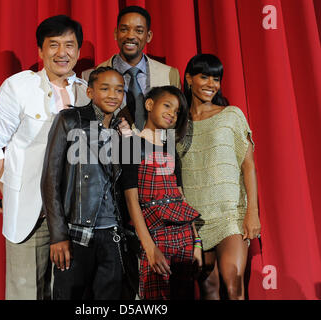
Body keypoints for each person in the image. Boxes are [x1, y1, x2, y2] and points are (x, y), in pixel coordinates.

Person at [0, 15, 91, 300]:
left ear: (78, 51)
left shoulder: (87, 93)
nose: (61, 53)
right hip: (32, 216)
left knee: (69, 293)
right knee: (26, 293)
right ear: (40, 51)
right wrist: (13, 191)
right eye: (53, 45)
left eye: (69, 45)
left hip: (76, 216)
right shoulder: (18, 87)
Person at [178, 54, 261, 300]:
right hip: (195, 219)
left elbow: (248, 166)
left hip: (229, 214)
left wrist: (252, 212)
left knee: (234, 287)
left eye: (216, 79)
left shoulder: (231, 115)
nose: (211, 84)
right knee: (209, 291)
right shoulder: (178, 123)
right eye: (204, 77)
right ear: (189, 78)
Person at [41, 67, 128, 300]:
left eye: (119, 90)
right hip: (77, 233)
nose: (113, 95)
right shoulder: (69, 120)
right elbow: (50, 180)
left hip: (113, 235)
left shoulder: (121, 130)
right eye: (105, 88)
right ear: (90, 92)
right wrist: (58, 235)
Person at [121, 86, 202, 300]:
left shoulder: (170, 148)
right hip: (154, 235)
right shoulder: (131, 145)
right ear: (149, 105)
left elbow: (180, 197)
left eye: (176, 112)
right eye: (167, 106)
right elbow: (132, 201)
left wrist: (197, 243)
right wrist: (149, 248)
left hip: (182, 236)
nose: (172, 114)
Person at [82, 6, 181, 130]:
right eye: (124, 29)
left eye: (139, 31)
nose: (130, 36)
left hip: (158, 148)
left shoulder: (169, 74)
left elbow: (176, 124)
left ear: (148, 36)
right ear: (115, 33)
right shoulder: (89, 75)